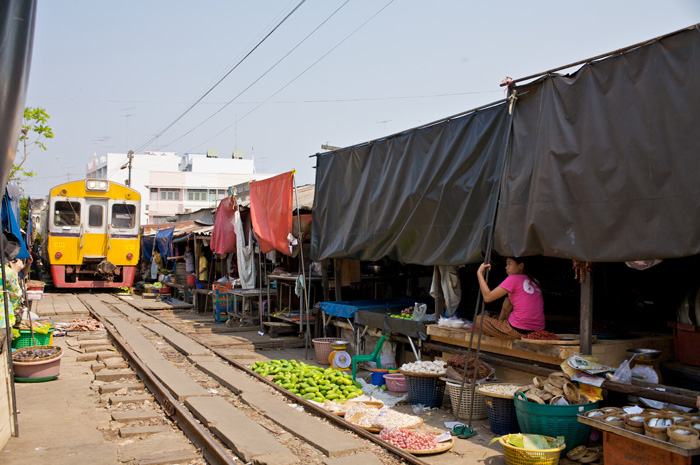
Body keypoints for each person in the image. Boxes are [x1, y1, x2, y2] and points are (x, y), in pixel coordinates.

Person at [473, 257, 545, 340]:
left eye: (509, 264)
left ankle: (500, 327)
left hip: (517, 330)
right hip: (538, 331)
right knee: (508, 301)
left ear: (521, 266)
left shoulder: (513, 278)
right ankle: (500, 324)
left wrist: (479, 273)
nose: (506, 267)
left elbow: (487, 297)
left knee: (478, 319)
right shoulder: (535, 280)